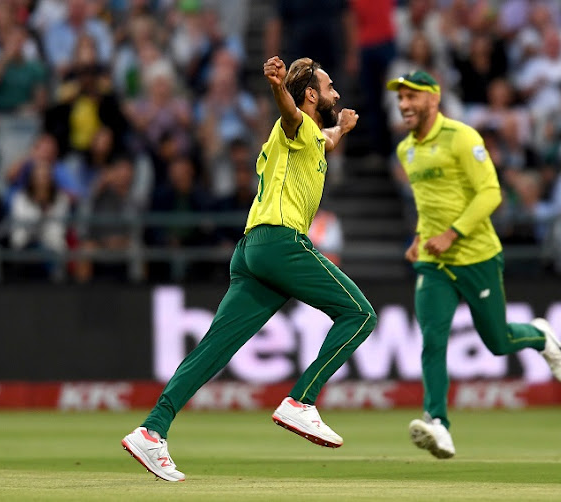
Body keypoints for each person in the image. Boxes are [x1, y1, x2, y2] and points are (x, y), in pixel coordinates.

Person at [122, 56, 377, 481]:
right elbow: (291, 113)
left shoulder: (313, 136)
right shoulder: (293, 125)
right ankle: (301, 402)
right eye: (330, 87)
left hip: (251, 252)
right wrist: (277, 86)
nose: (337, 93)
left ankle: (152, 430)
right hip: (281, 242)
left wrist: (342, 129)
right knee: (360, 314)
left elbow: (324, 138)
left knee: (213, 350)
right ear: (311, 94)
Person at [386, 70, 561, 460]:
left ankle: (541, 337)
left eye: (412, 97)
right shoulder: (406, 150)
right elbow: (428, 204)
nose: (404, 104)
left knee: (498, 342)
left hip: (477, 256)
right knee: (433, 341)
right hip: (435, 263)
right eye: (400, 98)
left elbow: (491, 193)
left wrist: (452, 234)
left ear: (434, 99)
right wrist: (421, 238)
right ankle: (438, 423)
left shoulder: (462, 137)